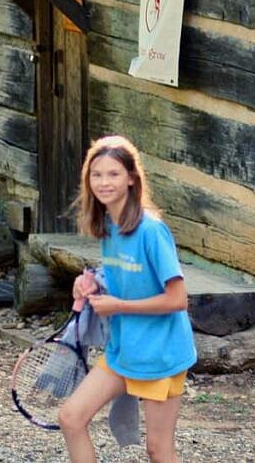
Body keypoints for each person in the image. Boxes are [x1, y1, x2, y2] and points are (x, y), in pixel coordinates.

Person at [58, 135, 197, 463]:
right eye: (97, 175)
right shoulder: (108, 223)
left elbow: (178, 299)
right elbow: (124, 276)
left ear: (132, 179)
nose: (104, 182)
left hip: (160, 353)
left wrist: (119, 307)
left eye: (113, 174)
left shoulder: (151, 231)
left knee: (158, 450)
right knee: (71, 418)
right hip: (124, 348)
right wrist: (90, 283)